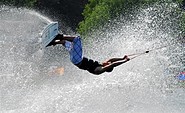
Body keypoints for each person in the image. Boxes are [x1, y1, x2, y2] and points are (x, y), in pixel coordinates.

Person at [47, 34, 130, 75]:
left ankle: (59, 36)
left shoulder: (99, 70)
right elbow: (112, 60)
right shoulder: (102, 64)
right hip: (76, 59)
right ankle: (53, 42)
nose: (107, 61)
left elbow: (113, 64)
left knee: (76, 39)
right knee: (66, 42)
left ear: (107, 67)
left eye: (108, 64)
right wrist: (122, 58)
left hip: (78, 60)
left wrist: (125, 61)